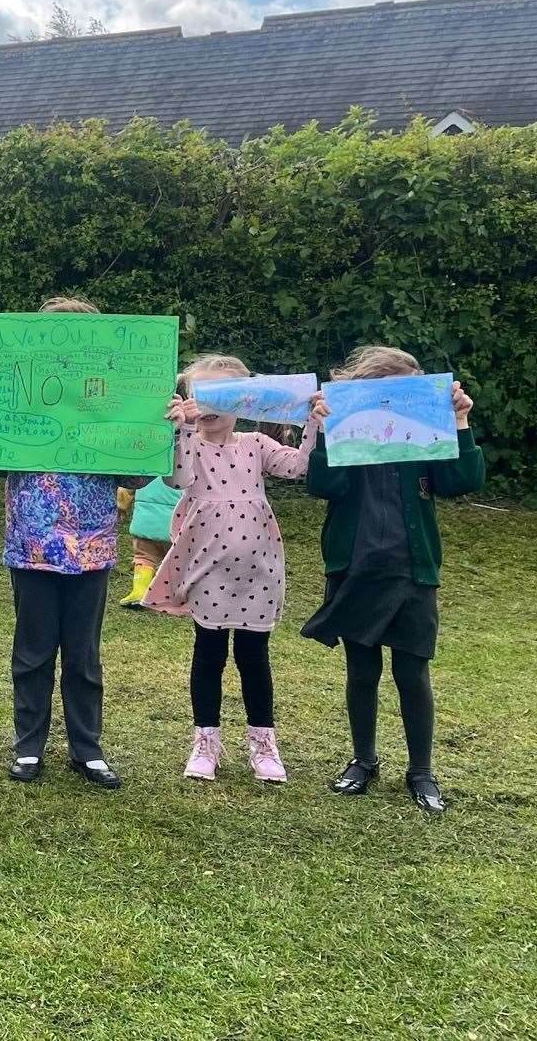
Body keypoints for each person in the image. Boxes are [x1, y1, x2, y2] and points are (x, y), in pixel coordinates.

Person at [0, 296, 137, 789]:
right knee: (32, 650)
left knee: (84, 655)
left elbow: (140, 473)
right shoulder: (14, 395)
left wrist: (161, 428)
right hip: (32, 543)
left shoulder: (111, 400)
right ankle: (29, 747)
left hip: (91, 545)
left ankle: (87, 749)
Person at [302, 345, 483, 814]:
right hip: (356, 568)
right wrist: (325, 431)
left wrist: (460, 423)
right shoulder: (349, 432)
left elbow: (461, 481)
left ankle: (421, 772)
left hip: (413, 570)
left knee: (412, 670)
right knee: (362, 671)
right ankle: (363, 761)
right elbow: (324, 486)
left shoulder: (426, 434)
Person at [147, 355, 313, 783]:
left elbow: (298, 466)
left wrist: (315, 425)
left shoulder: (256, 444)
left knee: (254, 657)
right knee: (209, 654)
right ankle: (206, 740)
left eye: (222, 395)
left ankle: (263, 743)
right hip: (207, 568)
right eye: (202, 395)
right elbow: (177, 479)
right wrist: (179, 428)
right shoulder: (188, 443)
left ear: (242, 401)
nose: (210, 406)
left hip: (260, 569)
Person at [115, 478, 179, 607]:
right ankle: (174, 596)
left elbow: (125, 490)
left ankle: (140, 592)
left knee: (144, 558)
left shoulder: (146, 465)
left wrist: (121, 507)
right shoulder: (186, 465)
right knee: (179, 561)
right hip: (177, 526)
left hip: (145, 522)